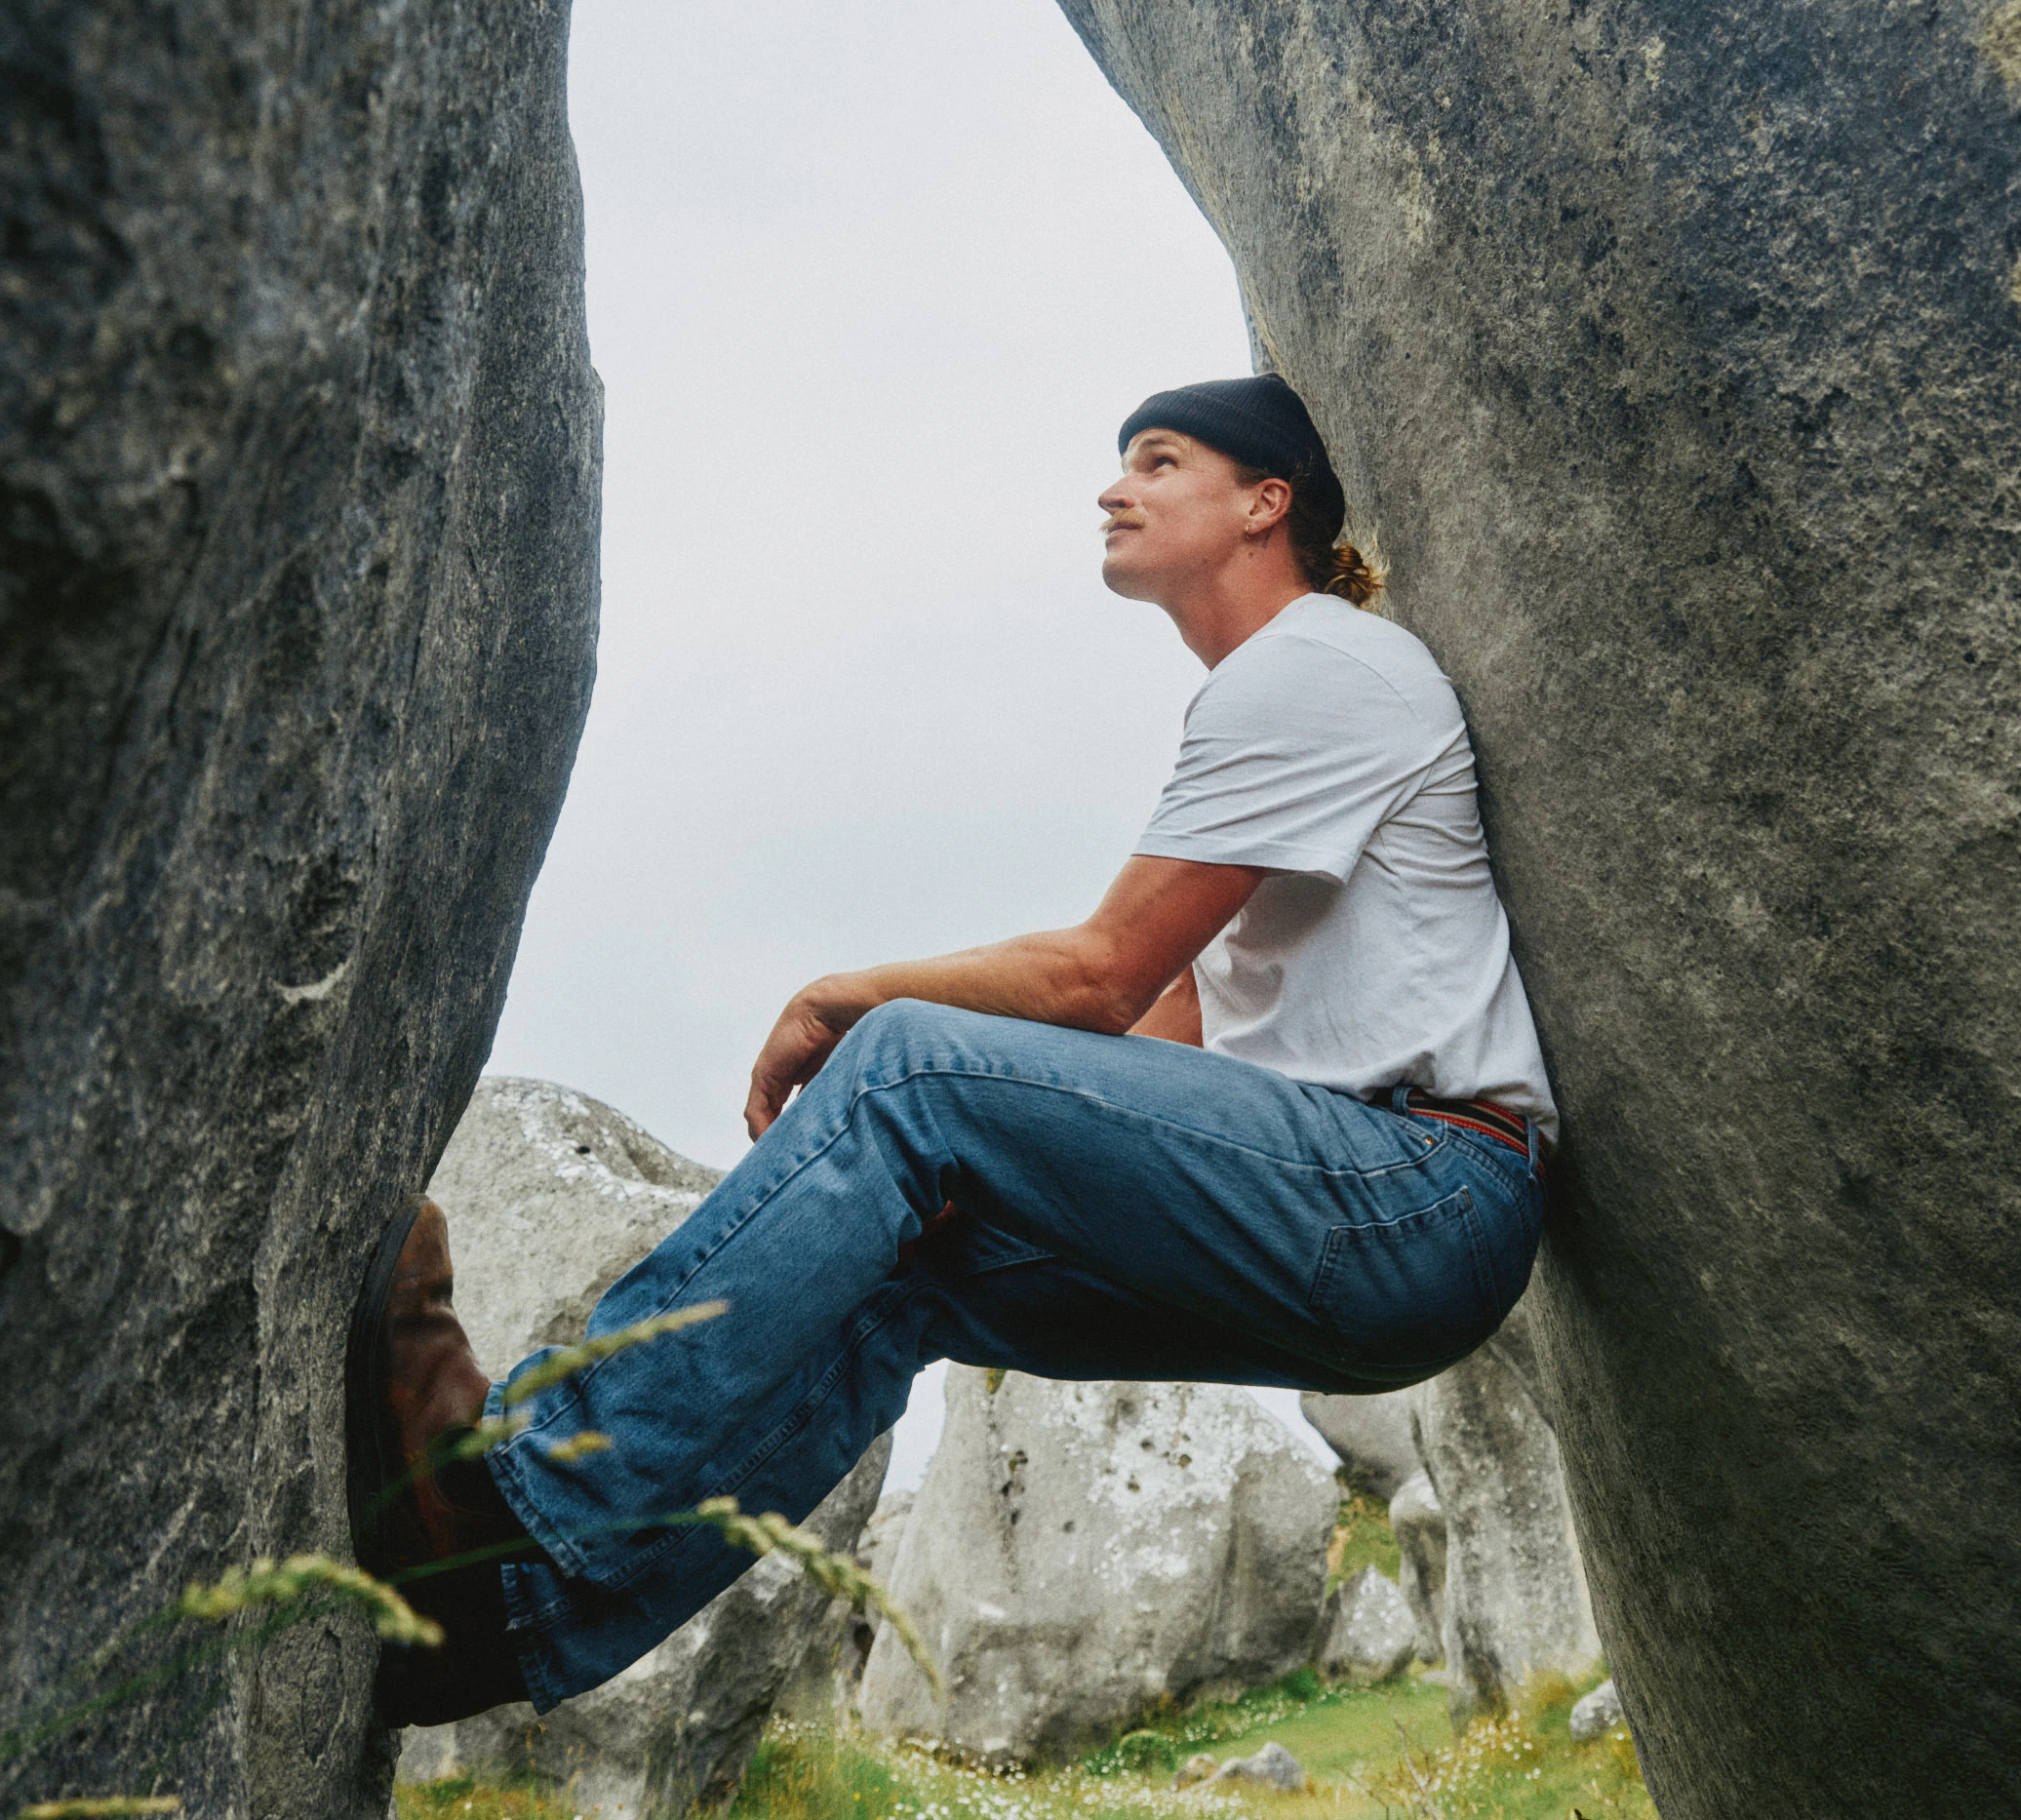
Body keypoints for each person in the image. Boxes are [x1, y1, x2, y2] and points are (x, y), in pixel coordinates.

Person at [364, 375, 1557, 1725]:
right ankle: (490, 1628)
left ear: (1261, 504)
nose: (1115, 489)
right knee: (899, 1280)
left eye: (1159, 463)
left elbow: (1102, 981)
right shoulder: (1284, 705)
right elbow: (1165, 1045)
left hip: (1413, 1194)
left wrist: (845, 1000)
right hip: (1369, 1229)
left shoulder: (1314, 669)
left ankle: (503, 1497)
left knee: (911, 1068)